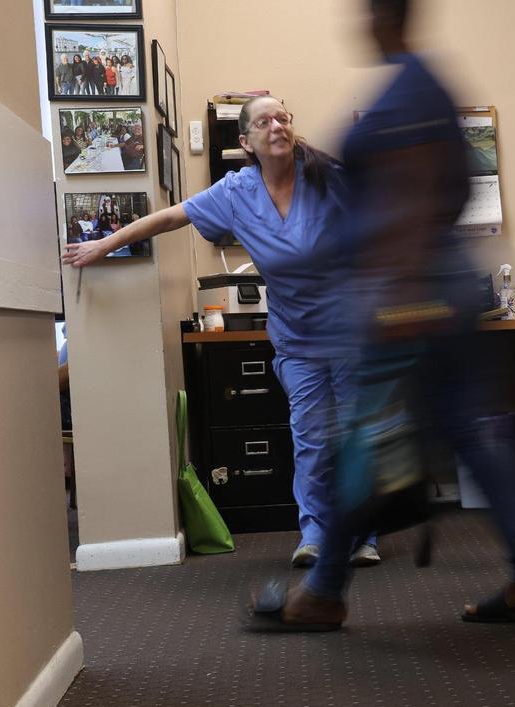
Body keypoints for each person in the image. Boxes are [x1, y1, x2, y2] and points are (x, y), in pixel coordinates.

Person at [248, 0, 515, 632]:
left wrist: (397, 296)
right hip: (439, 283)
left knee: (359, 442)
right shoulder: (434, 88)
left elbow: (416, 200)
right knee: (471, 435)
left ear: (379, 17)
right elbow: (445, 195)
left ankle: (325, 590)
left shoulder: (403, 100)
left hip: (406, 293)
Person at [63, 95, 375, 569]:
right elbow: (171, 217)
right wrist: (106, 243)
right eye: (264, 121)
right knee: (310, 437)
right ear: (245, 140)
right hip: (297, 340)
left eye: (284, 118)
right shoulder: (236, 192)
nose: (277, 126)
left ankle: (362, 534)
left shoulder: (327, 178)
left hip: (350, 331)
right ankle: (313, 533)